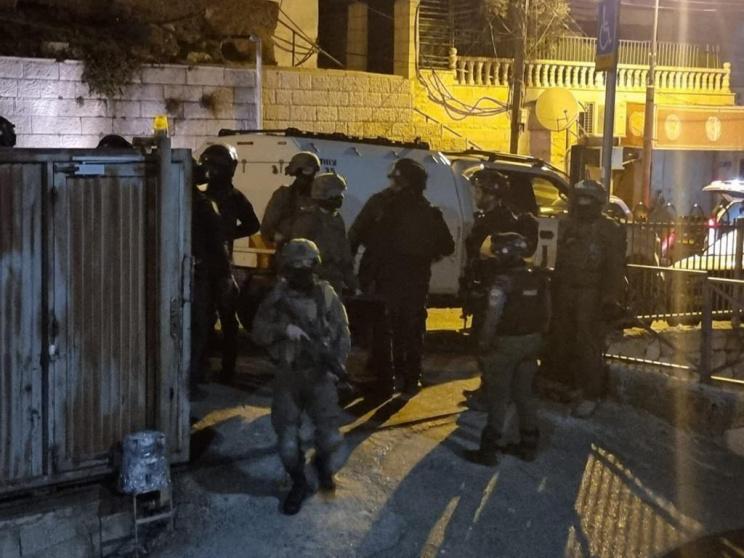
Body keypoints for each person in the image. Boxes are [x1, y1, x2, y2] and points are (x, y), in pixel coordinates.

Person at [252, 239, 350, 515]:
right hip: (289, 376)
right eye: (296, 264)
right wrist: (284, 330)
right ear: (286, 267)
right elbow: (258, 331)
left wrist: (337, 365)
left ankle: (322, 465)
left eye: (307, 264)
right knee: (287, 443)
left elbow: (343, 333)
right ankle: (299, 482)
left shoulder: (327, 295)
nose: (302, 269)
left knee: (330, 437)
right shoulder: (277, 297)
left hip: (320, 375)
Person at [349, 158, 454, 396]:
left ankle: (384, 379)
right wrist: (427, 257)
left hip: (383, 278)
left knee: (384, 329)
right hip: (414, 279)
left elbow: (354, 236)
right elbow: (447, 246)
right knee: (412, 328)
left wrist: (352, 273)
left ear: (402, 182)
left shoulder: (381, 204)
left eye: (395, 180)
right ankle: (410, 378)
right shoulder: (428, 211)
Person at [461, 233, 550, 466]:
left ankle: (488, 450)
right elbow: (547, 313)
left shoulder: (503, 282)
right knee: (524, 394)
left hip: (506, 343)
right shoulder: (537, 278)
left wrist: (484, 343)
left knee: (498, 396)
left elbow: (493, 317)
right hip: (532, 342)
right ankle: (529, 445)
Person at [460, 166, 538, 409]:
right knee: (483, 342)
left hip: (495, 289)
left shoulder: (501, 220)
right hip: (485, 285)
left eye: (479, 191)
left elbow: (494, 256)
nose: (475, 195)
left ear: (492, 194)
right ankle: (488, 388)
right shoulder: (490, 217)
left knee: (490, 343)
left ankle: (493, 395)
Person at [551, 179, 626, 418]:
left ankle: (591, 393)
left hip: (590, 294)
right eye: (580, 198)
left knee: (588, 344)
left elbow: (615, 267)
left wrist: (610, 298)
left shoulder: (609, 229)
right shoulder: (565, 224)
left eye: (588, 199)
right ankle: (565, 385)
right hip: (564, 290)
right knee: (561, 339)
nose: (582, 203)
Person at [200, 144, 260, 382]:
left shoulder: (232, 197)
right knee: (208, 318)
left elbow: (252, 224)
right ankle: (211, 367)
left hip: (219, 265)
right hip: (209, 265)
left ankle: (224, 369)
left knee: (223, 319)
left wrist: (226, 235)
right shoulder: (205, 197)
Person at [289, 172, 358, 295]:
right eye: (335, 194)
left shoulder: (337, 219)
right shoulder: (308, 219)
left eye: (340, 193)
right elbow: (298, 255)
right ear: (322, 195)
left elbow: (344, 255)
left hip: (334, 282)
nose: (340, 197)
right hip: (313, 283)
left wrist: (354, 285)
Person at [261, 151, 321, 246]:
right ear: (296, 172)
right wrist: (282, 240)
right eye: (307, 171)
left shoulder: (320, 197)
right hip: (288, 251)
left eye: (312, 171)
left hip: (313, 252)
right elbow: (267, 229)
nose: (310, 177)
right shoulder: (284, 195)